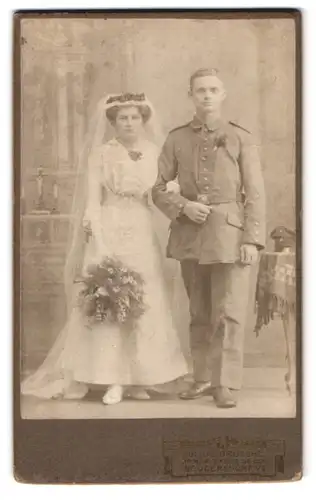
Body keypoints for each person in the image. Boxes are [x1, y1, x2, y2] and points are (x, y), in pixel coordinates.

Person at [22, 92, 188, 405]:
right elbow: (92, 200)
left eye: (134, 117)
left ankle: (141, 378)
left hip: (141, 227)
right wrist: (96, 235)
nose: (128, 123)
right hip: (109, 224)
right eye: (122, 118)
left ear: (142, 120)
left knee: (145, 298)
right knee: (110, 298)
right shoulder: (101, 154)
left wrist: (174, 192)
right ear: (112, 122)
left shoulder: (155, 152)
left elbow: (161, 193)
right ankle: (113, 379)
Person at [152, 68, 266, 408]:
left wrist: (251, 240)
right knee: (199, 310)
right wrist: (184, 206)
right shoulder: (175, 139)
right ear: (191, 95)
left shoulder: (241, 137)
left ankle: (225, 382)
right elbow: (157, 189)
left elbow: (256, 193)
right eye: (200, 90)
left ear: (223, 94)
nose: (206, 95)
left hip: (230, 236)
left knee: (228, 311)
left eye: (213, 90)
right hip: (190, 236)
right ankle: (201, 378)